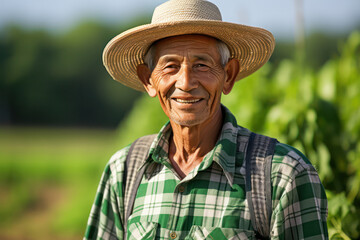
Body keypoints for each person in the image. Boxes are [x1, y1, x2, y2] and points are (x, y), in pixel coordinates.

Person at [84, 0, 328, 239]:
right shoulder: (124, 171)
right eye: (170, 66)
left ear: (228, 76)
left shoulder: (283, 174)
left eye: (202, 65)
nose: (186, 83)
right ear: (149, 80)